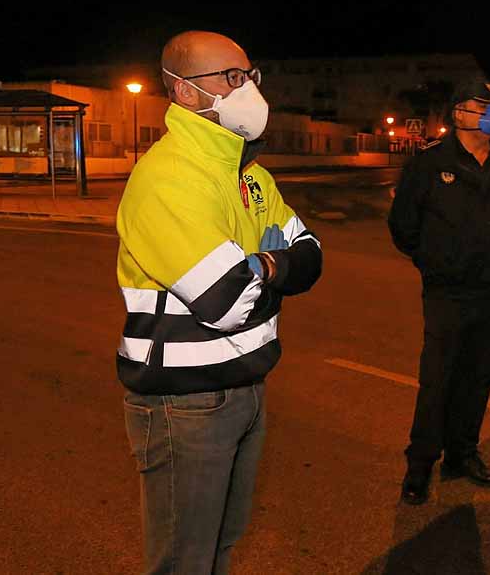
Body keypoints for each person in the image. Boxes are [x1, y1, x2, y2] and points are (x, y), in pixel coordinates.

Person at [116, 30, 323, 573]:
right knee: (185, 560)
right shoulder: (169, 179)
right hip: (186, 405)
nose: (248, 88)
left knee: (220, 548)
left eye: (250, 75)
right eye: (232, 78)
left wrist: (263, 267)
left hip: (245, 388)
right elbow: (229, 302)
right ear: (185, 93)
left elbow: (313, 257)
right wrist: (270, 267)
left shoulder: (248, 176)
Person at [388, 76, 490, 505]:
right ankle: (420, 465)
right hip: (447, 292)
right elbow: (403, 226)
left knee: (477, 377)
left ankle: (462, 454)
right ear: (458, 113)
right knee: (438, 379)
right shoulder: (429, 164)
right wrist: (434, 263)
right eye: (481, 104)